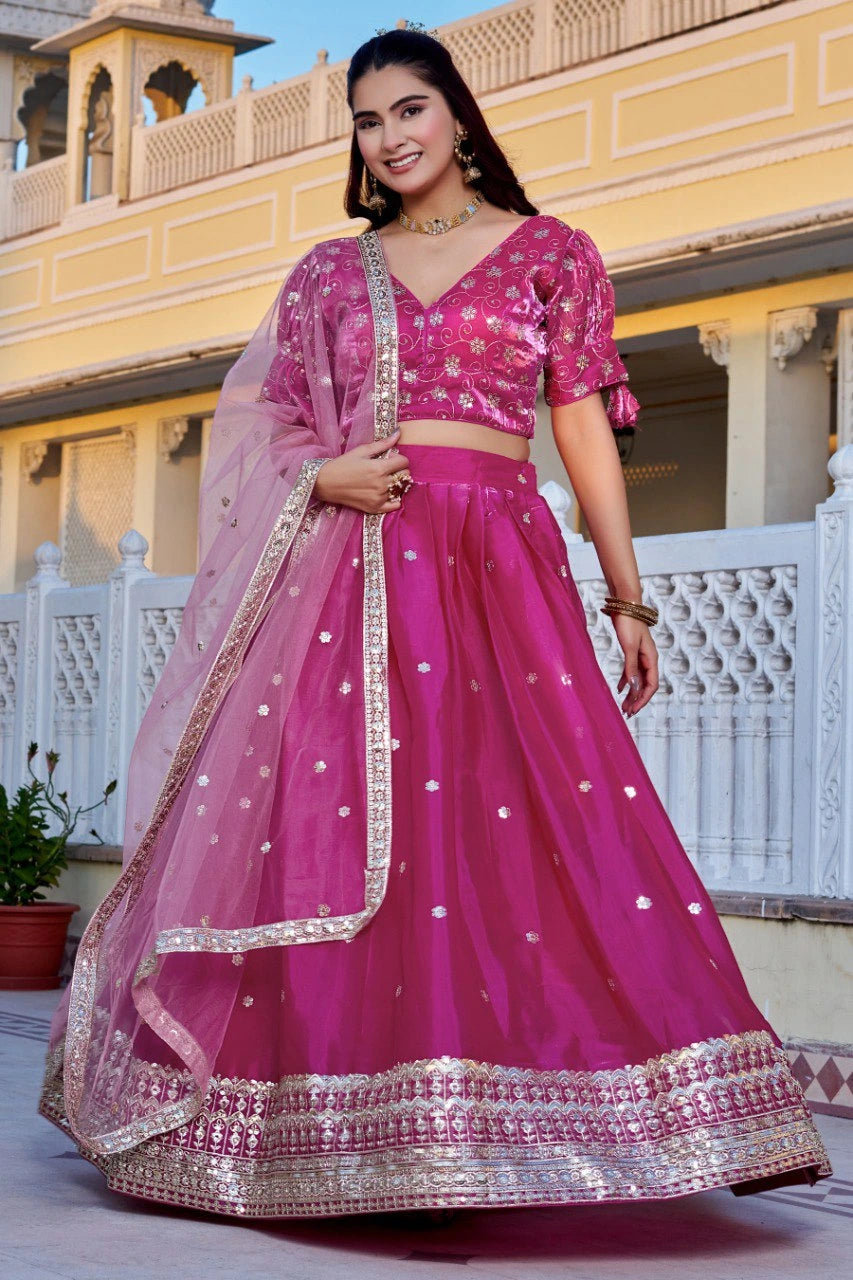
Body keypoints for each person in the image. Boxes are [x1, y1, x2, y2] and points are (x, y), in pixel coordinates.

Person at [38, 26, 831, 1221]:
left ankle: (555, 1116)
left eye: (409, 110)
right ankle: (334, 1133)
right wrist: (324, 478)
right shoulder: (328, 273)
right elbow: (264, 426)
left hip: (501, 568)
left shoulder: (550, 254)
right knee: (348, 826)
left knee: (529, 830)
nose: (391, 137)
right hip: (351, 578)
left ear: (459, 115)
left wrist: (625, 594)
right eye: (367, 120)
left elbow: (580, 430)